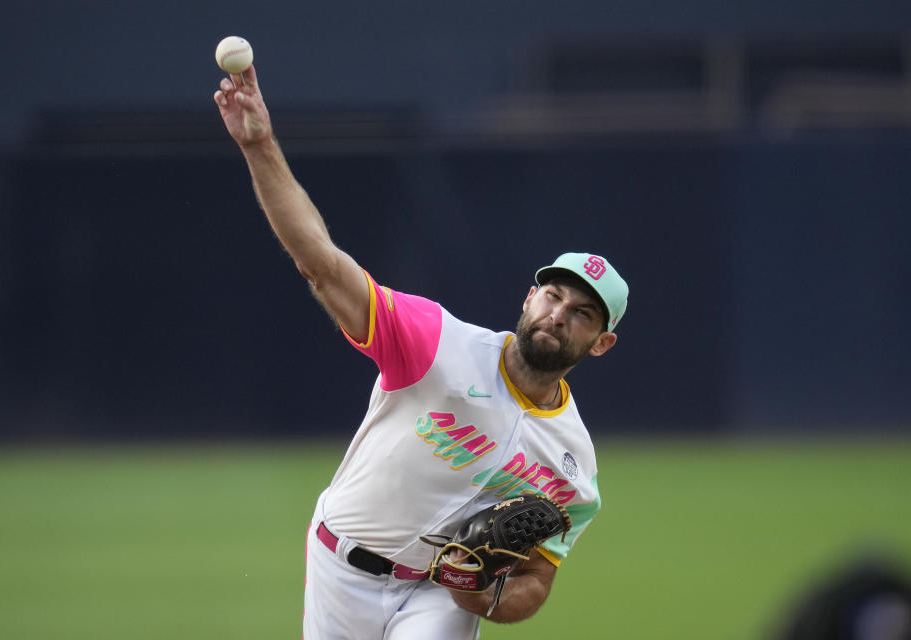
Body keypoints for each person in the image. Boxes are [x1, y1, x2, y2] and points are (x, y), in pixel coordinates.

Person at [213, 65, 630, 640]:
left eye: (582, 313)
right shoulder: (436, 343)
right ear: (530, 296)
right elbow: (322, 264)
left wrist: (481, 589)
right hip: (341, 566)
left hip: (441, 596)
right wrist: (259, 144)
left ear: (601, 343)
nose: (558, 314)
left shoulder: (573, 467)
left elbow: (534, 581)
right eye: (553, 295)